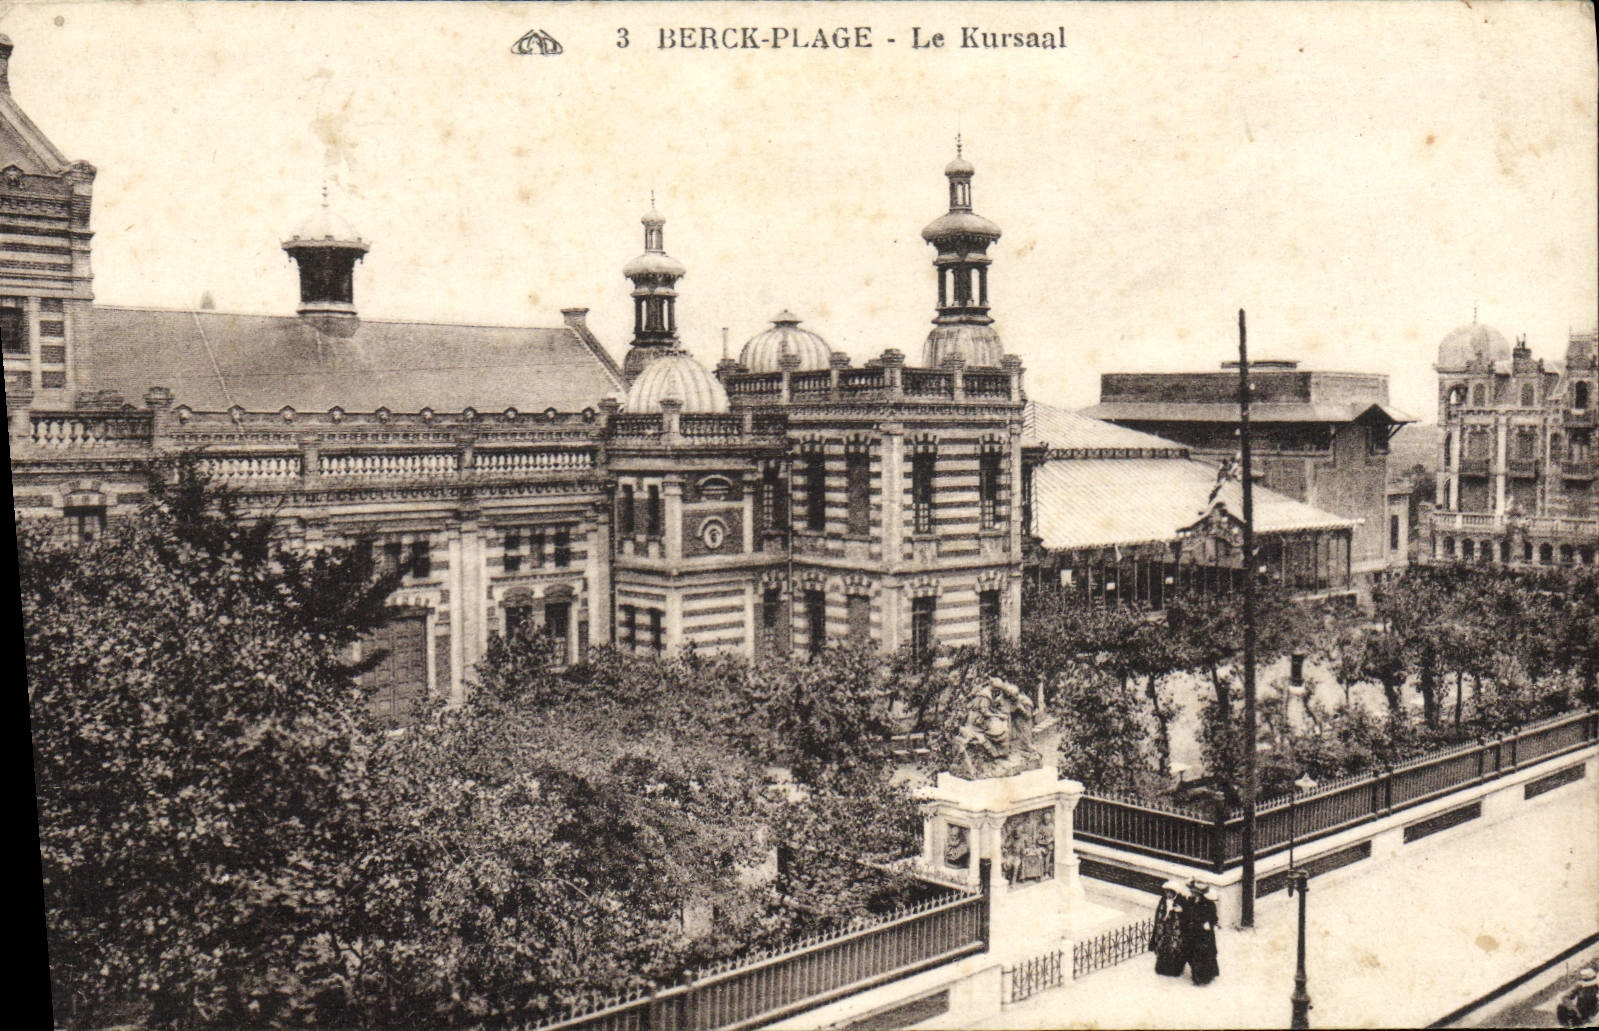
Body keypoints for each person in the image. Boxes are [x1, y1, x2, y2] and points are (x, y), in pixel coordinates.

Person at [1184, 880, 1221, 986]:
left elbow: (1213, 918)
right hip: (1192, 932)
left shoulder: (1208, 904)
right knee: (1192, 954)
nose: (1191, 893)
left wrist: (1209, 924)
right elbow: (1187, 913)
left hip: (1203, 934)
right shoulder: (1191, 901)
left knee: (1203, 955)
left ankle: (1203, 978)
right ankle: (1197, 975)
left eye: (1193, 891)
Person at [1150, 879, 1189, 977]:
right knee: (1163, 947)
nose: (1167, 894)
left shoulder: (1181, 901)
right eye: (1166, 892)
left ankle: (1175, 970)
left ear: (1174, 892)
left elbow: (1186, 916)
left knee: (1174, 948)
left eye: (1169, 892)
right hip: (1164, 929)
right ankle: (1162, 968)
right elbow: (1159, 913)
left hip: (1176, 930)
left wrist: (1180, 912)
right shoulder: (1163, 900)